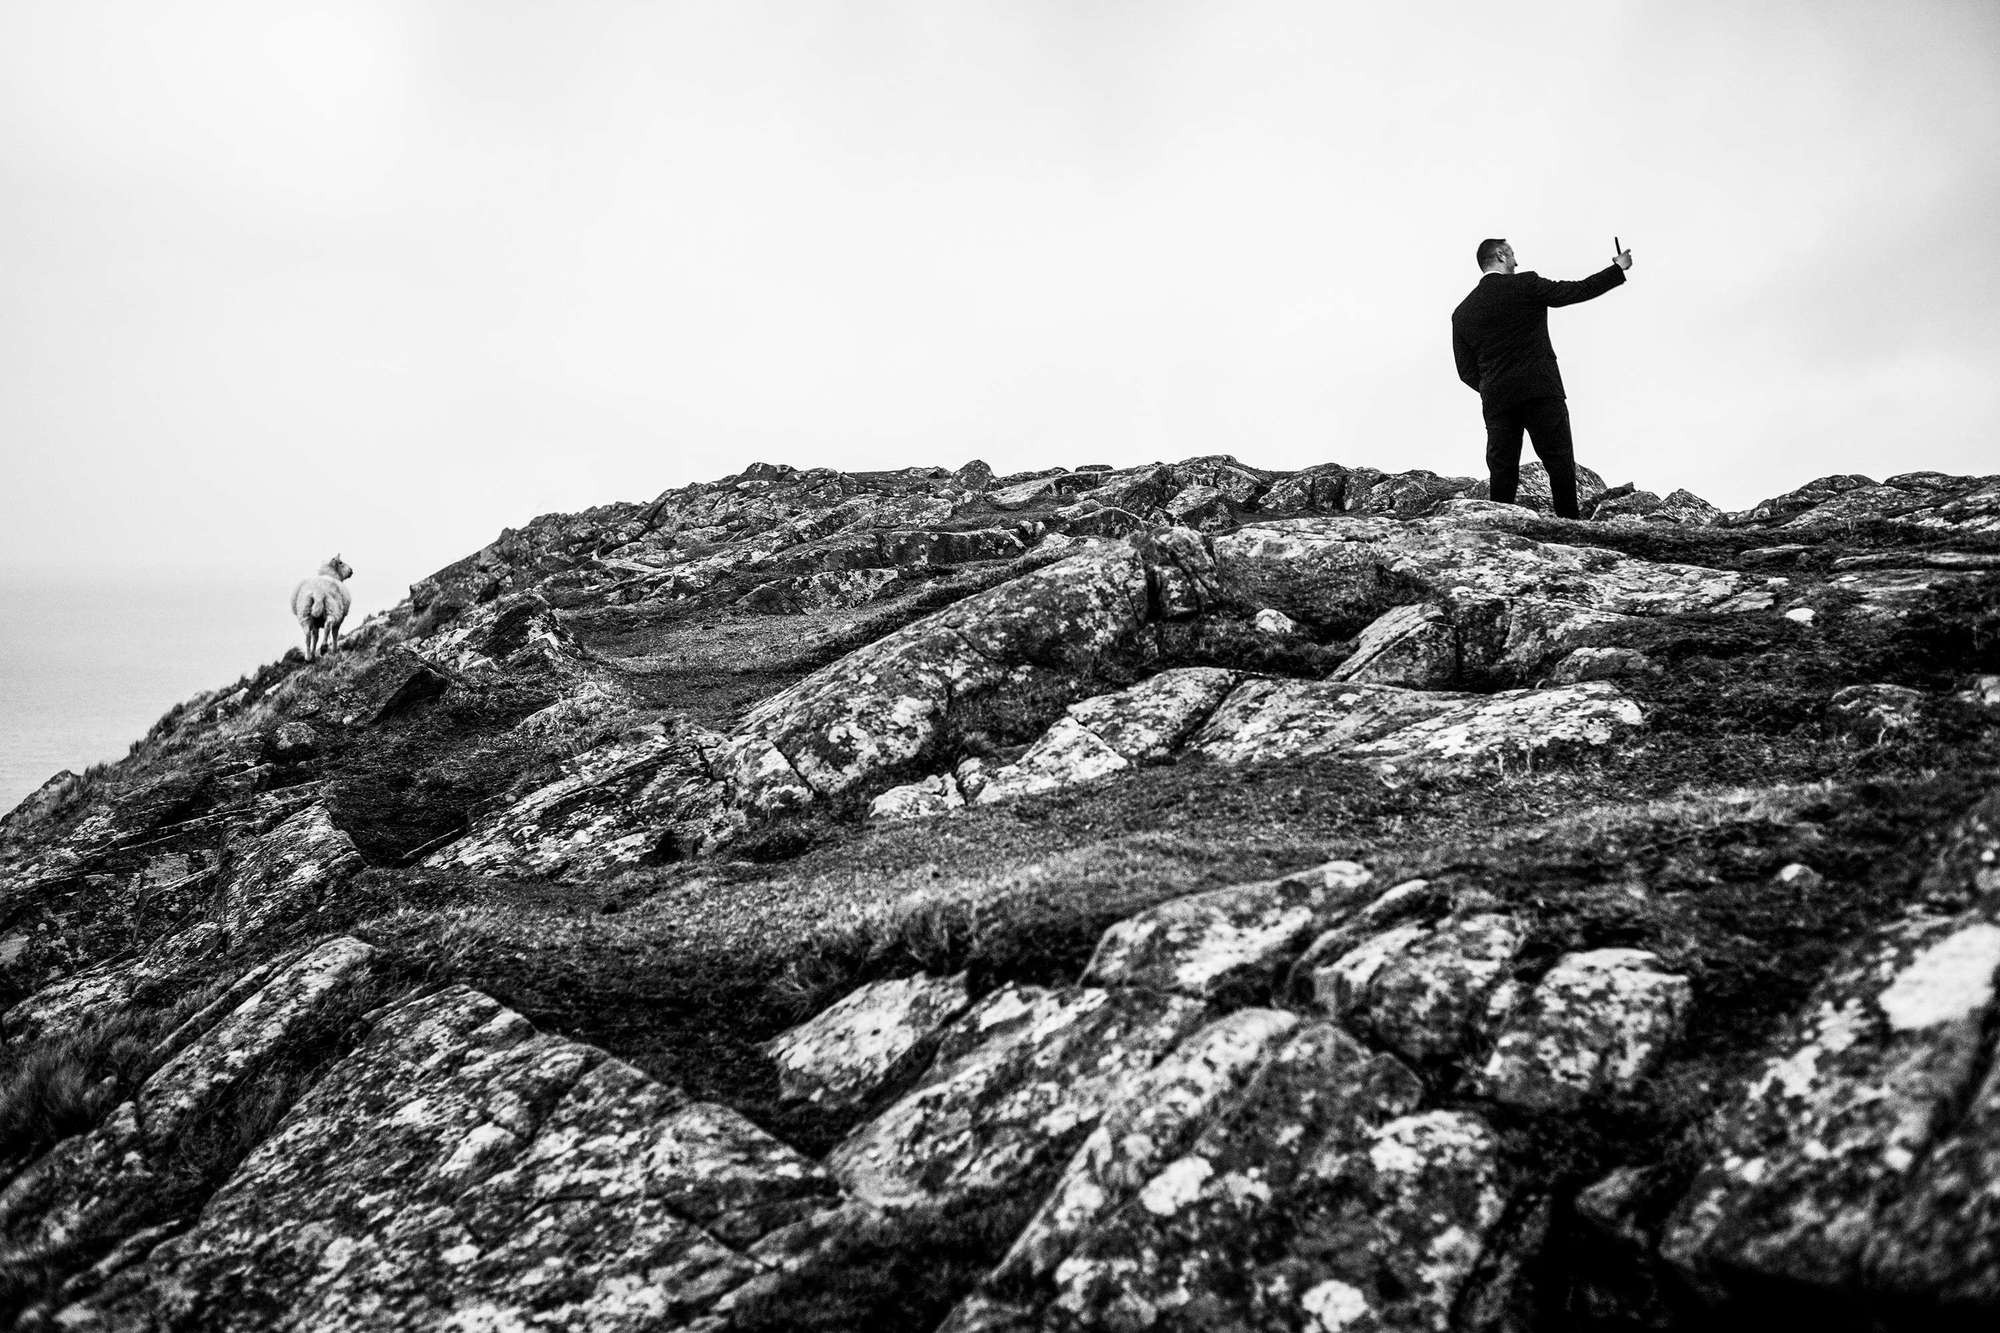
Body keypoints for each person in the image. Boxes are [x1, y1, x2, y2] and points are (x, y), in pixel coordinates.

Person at [1451, 238, 1632, 519]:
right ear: (1500, 254)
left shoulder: (1462, 313)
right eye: (1512, 254)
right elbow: (1576, 291)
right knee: (1558, 461)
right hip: (1540, 388)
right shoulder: (1526, 284)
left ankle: (1501, 531)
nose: (1516, 261)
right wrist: (1617, 270)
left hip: (1498, 399)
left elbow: (1465, 371)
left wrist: (1491, 385)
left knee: (1502, 470)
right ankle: (1569, 528)